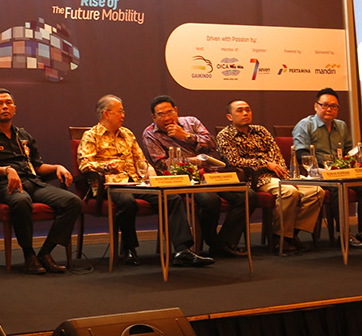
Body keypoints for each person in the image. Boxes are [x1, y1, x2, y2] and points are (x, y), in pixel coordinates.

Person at [77, 94, 214, 267]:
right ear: (106, 114)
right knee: (127, 201)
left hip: (135, 182)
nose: (123, 115)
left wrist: (149, 170)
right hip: (110, 184)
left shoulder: (127, 134)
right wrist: (105, 166)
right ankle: (128, 248)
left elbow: (141, 160)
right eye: (120, 111)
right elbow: (84, 164)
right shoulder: (91, 136)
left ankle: (183, 250)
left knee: (171, 198)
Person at [0, 89, 82, 274]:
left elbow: (38, 166)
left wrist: (57, 167)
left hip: (33, 182)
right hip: (6, 186)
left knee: (72, 201)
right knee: (22, 200)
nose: (5, 106)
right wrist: (7, 170)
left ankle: (45, 253)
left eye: (8, 103)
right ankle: (29, 255)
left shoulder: (23, 135)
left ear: (15, 109)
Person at [142, 95, 257, 257]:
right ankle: (212, 240)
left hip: (210, 175)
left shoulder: (191, 122)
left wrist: (186, 136)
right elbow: (161, 164)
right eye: (161, 114)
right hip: (183, 180)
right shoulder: (150, 134)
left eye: (170, 112)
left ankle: (224, 242)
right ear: (153, 117)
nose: (167, 118)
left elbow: (212, 143)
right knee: (210, 200)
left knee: (248, 196)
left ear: (176, 110)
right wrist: (192, 161)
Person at [217, 99, 324, 254]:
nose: (245, 113)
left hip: (279, 174)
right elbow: (234, 161)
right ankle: (280, 238)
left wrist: (282, 172)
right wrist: (265, 164)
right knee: (289, 192)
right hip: (256, 178)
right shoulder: (224, 136)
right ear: (229, 117)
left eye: (248, 109)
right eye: (240, 110)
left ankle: (289, 234)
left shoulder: (261, 131)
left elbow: (276, 154)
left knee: (316, 192)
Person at [292, 87, 362, 247]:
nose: (329, 109)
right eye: (325, 105)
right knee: (338, 188)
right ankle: (345, 234)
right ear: (316, 106)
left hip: (341, 173)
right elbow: (301, 153)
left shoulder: (341, 126)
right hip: (317, 174)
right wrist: (322, 169)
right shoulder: (305, 125)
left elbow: (348, 152)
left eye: (333, 106)